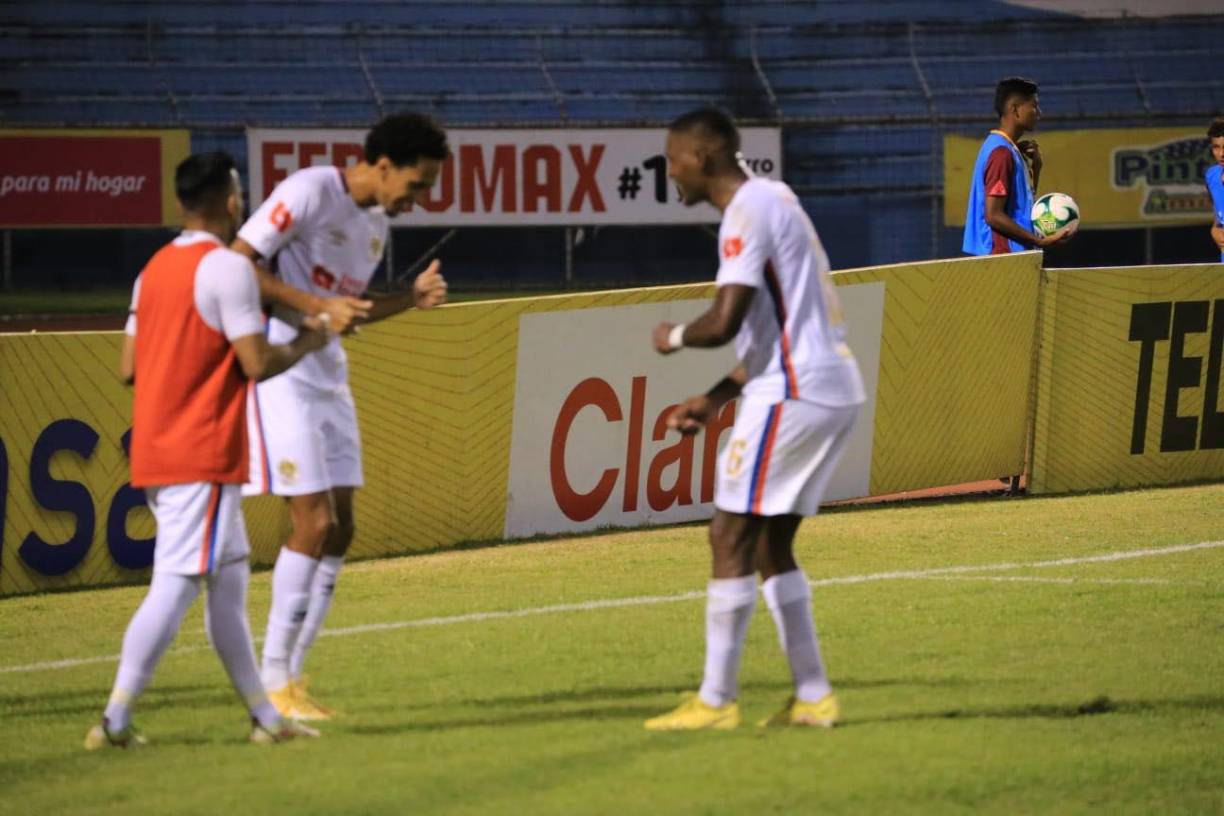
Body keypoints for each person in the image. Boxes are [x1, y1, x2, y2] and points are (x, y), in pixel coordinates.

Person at [86, 152, 328, 749]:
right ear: (230, 201)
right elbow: (255, 362)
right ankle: (114, 718)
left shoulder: (152, 270)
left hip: (158, 447)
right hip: (203, 452)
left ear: (179, 203)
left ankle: (265, 720)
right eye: (239, 193)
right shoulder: (227, 270)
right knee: (175, 583)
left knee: (228, 586)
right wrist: (308, 341)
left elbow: (127, 368)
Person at [644, 108, 865, 731]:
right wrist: (714, 398)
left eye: (674, 157)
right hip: (822, 384)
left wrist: (674, 336)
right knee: (769, 543)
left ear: (704, 156)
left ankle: (715, 702)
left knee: (728, 535)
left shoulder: (744, 212)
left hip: (794, 393)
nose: (670, 170)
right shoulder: (776, 197)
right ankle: (814, 696)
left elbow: (725, 322)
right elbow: (772, 329)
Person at [232, 112, 449, 720]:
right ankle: (272, 682)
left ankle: (293, 679)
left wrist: (410, 300)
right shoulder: (310, 190)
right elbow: (238, 261)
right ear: (383, 166)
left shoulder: (376, 226)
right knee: (313, 521)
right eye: (418, 182)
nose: (420, 198)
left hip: (330, 376)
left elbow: (347, 311)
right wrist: (312, 304)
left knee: (342, 527)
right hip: (284, 370)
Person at [963, 77, 1075, 255]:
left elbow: (1019, 207)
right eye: (1034, 106)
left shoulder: (1008, 149)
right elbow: (993, 215)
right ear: (1015, 109)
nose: (1039, 113)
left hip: (1011, 255)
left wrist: (1035, 168)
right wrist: (1038, 241)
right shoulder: (1001, 153)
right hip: (1002, 256)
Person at [1204, 117, 1224, 261]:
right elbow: (1219, 217)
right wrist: (1214, 230)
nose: (1222, 153)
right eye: (1216, 147)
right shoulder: (1211, 176)